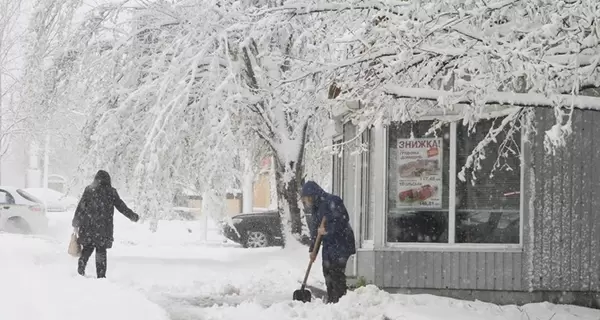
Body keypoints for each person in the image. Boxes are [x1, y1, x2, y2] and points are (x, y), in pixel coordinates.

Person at [72, 170, 140, 278]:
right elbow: (121, 206)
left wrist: (76, 222)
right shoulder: (111, 192)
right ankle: (101, 276)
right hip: (103, 229)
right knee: (101, 252)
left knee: (87, 249)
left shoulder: (89, 190)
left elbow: (81, 207)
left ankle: (81, 269)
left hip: (88, 227)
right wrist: (132, 216)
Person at [301, 180, 356, 304]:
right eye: (305, 200)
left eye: (307, 199)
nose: (307, 202)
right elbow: (316, 231)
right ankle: (332, 300)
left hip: (342, 242)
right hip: (329, 244)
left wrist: (327, 229)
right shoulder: (315, 209)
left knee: (336, 272)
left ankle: (340, 301)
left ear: (313, 195)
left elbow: (343, 219)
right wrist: (312, 250)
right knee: (327, 271)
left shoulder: (333, 201)